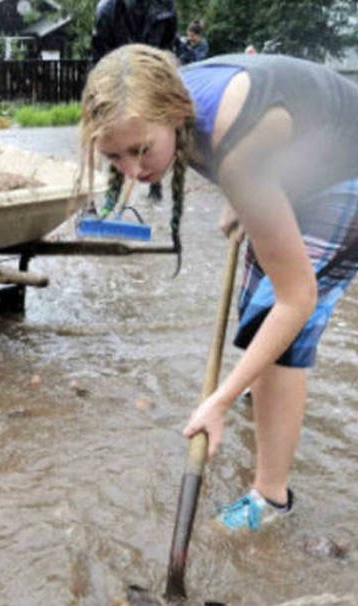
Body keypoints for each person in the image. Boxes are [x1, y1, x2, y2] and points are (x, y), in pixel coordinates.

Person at [80, 44, 358, 532]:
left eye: (141, 150)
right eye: (114, 156)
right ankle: (270, 395)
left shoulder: (236, 148)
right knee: (260, 321)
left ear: (172, 113)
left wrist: (219, 400)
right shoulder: (164, 94)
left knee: (280, 325)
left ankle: (271, 499)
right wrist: (247, 195)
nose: (133, 171)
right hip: (296, 157)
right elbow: (257, 152)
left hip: (344, 170)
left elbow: (299, 298)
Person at [91, 0, 177, 206]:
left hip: (152, 76)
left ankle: (155, 185)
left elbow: (167, 48)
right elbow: (99, 56)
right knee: (118, 135)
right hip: (117, 78)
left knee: (151, 135)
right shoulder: (106, 10)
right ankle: (112, 195)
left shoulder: (165, 8)